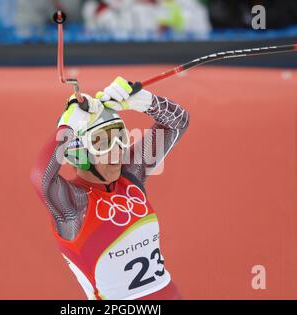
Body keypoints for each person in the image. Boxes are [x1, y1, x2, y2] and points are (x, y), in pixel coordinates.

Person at [30, 76, 190, 300]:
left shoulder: (130, 175)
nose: (117, 151)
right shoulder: (74, 204)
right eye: (103, 143)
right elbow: (41, 177)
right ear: (79, 153)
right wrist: (67, 126)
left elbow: (177, 121)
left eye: (120, 139)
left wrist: (140, 102)